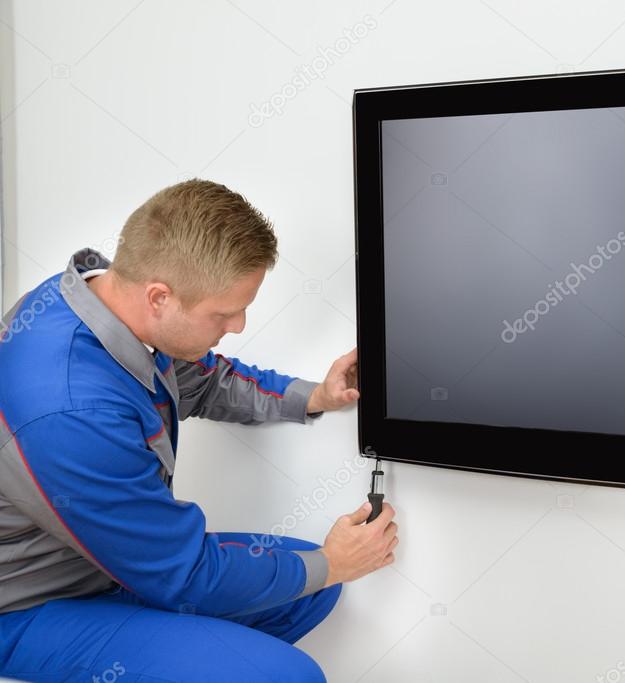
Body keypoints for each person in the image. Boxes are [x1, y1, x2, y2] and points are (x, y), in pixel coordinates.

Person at [0, 179, 398, 682]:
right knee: (286, 675)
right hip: (27, 604)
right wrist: (336, 562)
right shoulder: (72, 408)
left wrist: (315, 395)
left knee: (309, 585)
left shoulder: (104, 303)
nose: (239, 325)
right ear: (160, 297)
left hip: (102, 561)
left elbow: (197, 380)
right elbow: (182, 574)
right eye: (225, 313)